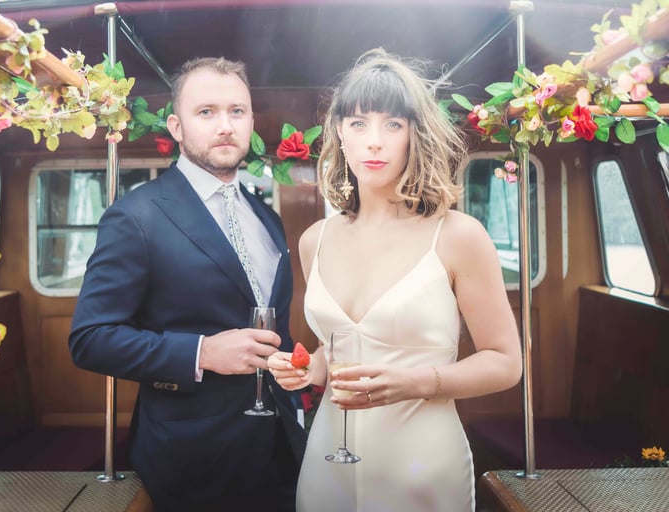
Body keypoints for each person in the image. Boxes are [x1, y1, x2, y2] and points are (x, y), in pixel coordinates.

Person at [267, 48, 523, 512]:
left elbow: (506, 363)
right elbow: (335, 349)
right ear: (340, 132)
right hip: (328, 462)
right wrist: (309, 370)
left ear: (414, 134)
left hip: (422, 467)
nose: (374, 142)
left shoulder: (458, 235)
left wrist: (416, 382)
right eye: (358, 123)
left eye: (392, 124)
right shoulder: (314, 240)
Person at [69, 57, 305, 512]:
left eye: (237, 111)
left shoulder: (266, 217)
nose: (225, 126)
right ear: (177, 127)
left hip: (279, 447)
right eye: (206, 112)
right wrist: (203, 352)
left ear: (251, 121)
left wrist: (293, 379)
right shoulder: (135, 216)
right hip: (191, 456)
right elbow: (90, 339)